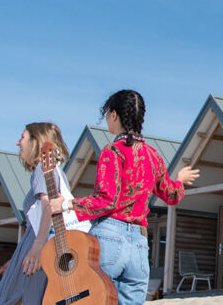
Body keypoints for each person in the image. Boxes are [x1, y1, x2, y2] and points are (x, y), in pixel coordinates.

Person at [48, 89, 199, 305]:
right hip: (139, 244)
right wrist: (180, 180)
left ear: (114, 115)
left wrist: (66, 204)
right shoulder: (153, 156)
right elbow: (171, 195)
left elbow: (106, 200)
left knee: (91, 299)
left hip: (109, 237)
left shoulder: (113, 151)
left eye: (107, 114)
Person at [0, 122, 70, 305]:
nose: (18, 143)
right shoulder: (57, 171)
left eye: (23, 138)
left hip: (38, 250)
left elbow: (47, 206)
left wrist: (37, 246)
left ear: (37, 141)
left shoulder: (43, 169)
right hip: (41, 248)